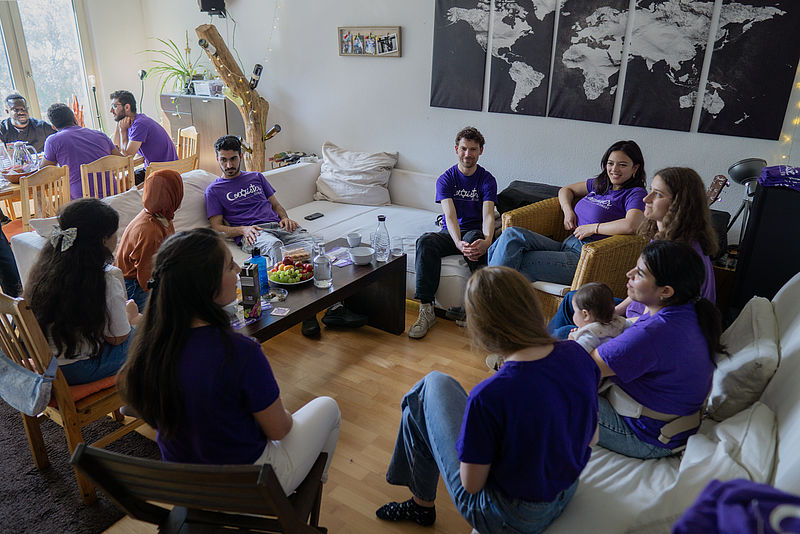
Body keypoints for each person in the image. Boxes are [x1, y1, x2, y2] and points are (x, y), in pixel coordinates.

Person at [117, 228, 341, 495]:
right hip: (248, 486)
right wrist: (284, 414)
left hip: (188, 487)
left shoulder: (149, 347)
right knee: (328, 407)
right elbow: (279, 430)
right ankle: (306, 493)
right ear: (206, 285)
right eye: (228, 265)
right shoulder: (239, 351)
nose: (237, 268)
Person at [377, 266, 599, 533]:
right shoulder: (578, 354)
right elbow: (592, 437)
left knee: (422, 395)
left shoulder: (490, 396)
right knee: (429, 389)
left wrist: (482, 443)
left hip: (511, 517)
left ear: (482, 329)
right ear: (531, 307)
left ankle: (420, 505)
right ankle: (420, 505)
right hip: (566, 489)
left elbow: (471, 485)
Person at [205, 135, 366, 336]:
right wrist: (243, 230)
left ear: (241, 157)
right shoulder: (214, 190)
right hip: (254, 232)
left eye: (233, 159)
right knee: (277, 248)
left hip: (278, 225)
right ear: (217, 159)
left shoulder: (256, 177)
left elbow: (276, 205)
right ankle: (306, 314)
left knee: (314, 248)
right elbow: (216, 226)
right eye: (223, 160)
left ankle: (335, 308)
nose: (229, 165)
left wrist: (285, 218)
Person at [588, 240, 724, 459]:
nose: (629, 274)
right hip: (672, 425)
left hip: (648, 437)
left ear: (666, 291)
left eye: (640, 273)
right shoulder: (689, 311)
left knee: (550, 384)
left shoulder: (654, 332)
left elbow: (586, 365)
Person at [548, 166, 718, 338]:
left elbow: (658, 319)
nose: (646, 198)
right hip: (638, 310)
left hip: (649, 327)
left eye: (658, 194)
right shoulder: (663, 236)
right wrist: (613, 312)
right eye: (651, 190)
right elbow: (644, 289)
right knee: (572, 300)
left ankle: (548, 349)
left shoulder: (677, 254)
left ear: (679, 205)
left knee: (563, 333)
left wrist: (602, 325)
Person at [488, 140, 646, 284]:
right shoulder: (601, 184)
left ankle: (488, 297)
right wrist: (568, 211)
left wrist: (593, 228)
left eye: (622, 165)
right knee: (510, 236)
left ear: (635, 168)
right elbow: (566, 190)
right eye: (610, 163)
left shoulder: (635, 193)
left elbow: (631, 225)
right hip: (567, 244)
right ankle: (491, 295)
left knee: (509, 257)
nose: (614, 169)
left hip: (585, 257)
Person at [25, 198, 139, 385]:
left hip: (45, 362)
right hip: (76, 370)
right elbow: (118, 338)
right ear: (103, 240)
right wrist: (130, 315)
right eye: (115, 233)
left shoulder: (46, 269)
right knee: (145, 332)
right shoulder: (105, 278)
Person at [409, 126, 497, 339]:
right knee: (425, 241)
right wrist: (457, 242)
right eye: (464, 149)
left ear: (481, 151)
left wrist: (487, 240)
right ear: (456, 149)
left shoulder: (487, 180)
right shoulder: (446, 179)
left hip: (474, 231)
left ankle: (477, 310)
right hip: (452, 233)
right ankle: (427, 310)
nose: (468, 154)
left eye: (473, 149)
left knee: (475, 240)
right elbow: (449, 216)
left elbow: (488, 215)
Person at [115, 169, 184, 312]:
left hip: (149, 272)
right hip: (134, 283)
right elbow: (146, 279)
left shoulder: (161, 214)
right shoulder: (150, 231)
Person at [41, 103, 123, 199]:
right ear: (74, 119)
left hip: (81, 200)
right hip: (112, 195)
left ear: (53, 127)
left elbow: (44, 172)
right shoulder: (100, 135)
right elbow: (122, 161)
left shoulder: (53, 141)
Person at [0, 93, 57, 224]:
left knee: (38, 186)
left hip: (38, 175)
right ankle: (5, 222)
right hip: (13, 177)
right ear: (7, 111)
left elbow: (59, 141)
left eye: (24, 108)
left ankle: (45, 221)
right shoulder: (3, 129)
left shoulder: (42, 127)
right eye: (16, 109)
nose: (21, 112)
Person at [110, 90, 177, 184]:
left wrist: (123, 131)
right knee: (122, 182)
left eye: (114, 106)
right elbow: (116, 148)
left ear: (127, 107)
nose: (111, 110)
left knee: (121, 184)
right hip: (154, 168)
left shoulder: (140, 124)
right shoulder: (132, 122)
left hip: (164, 172)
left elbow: (127, 156)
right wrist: (119, 125)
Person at [567, 282, 629, 353]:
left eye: (575, 311)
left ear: (586, 315)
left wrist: (572, 342)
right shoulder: (620, 322)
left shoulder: (589, 335)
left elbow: (575, 354)